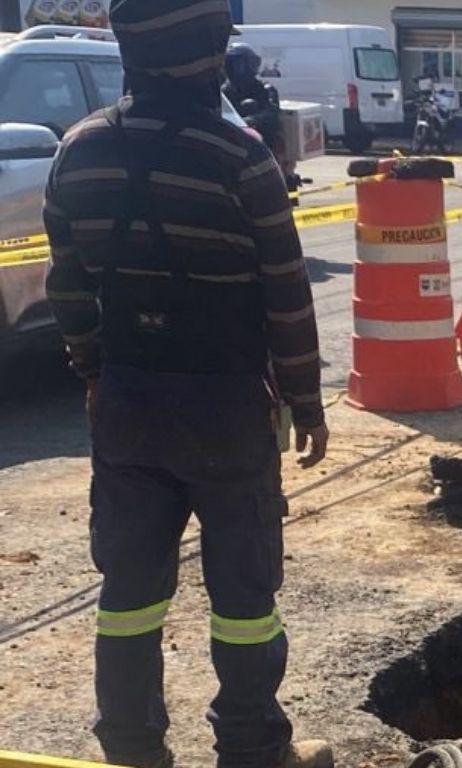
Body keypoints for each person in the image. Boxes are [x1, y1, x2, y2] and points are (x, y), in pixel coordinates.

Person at [43, 2, 331, 768]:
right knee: (244, 599)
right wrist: (306, 401)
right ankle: (253, 750)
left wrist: (95, 373)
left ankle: (133, 750)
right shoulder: (240, 156)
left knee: (129, 595)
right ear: (206, 53)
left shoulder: (79, 152)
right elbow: (285, 292)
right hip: (226, 408)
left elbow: (67, 286)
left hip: (129, 403)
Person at [223, 43, 296, 190]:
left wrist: (250, 121)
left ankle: (277, 182)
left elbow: (271, 112)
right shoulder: (225, 90)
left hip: (262, 142)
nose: (238, 68)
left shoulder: (264, 89)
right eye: (234, 64)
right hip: (232, 138)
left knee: (270, 177)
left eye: (242, 64)